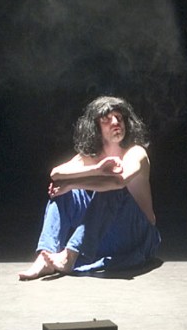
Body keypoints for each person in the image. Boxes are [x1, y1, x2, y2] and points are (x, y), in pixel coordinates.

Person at [19, 95, 161, 280]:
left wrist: (72, 183)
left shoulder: (136, 152)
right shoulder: (92, 156)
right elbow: (56, 174)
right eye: (107, 119)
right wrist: (96, 169)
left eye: (119, 117)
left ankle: (70, 255)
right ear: (96, 127)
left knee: (107, 186)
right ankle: (44, 257)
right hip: (104, 238)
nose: (116, 122)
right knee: (64, 192)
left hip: (136, 237)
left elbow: (119, 181)